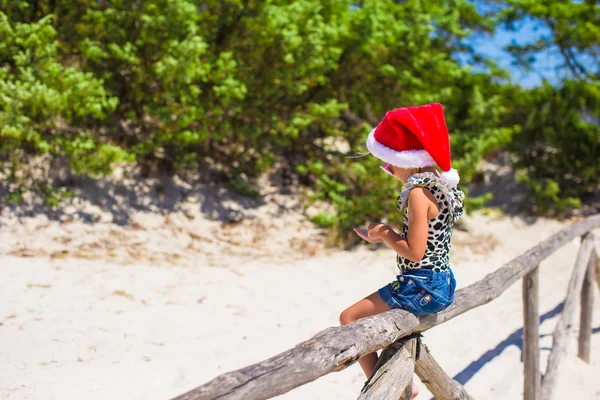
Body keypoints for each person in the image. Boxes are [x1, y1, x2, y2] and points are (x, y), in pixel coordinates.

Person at [339, 103, 465, 398]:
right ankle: (402, 384)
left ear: (409, 159)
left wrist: (382, 233)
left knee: (349, 318)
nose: (387, 169)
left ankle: (392, 389)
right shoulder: (440, 186)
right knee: (386, 330)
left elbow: (415, 252)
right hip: (442, 284)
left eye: (388, 162)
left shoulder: (419, 194)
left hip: (422, 286)